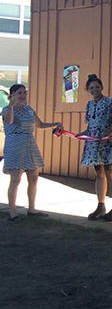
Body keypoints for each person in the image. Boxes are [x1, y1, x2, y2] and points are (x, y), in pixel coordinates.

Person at [2, 84, 61, 221]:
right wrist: (11, 105)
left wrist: (55, 124)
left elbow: (39, 124)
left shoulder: (29, 109)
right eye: (19, 93)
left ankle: (32, 208)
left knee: (33, 177)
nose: (22, 95)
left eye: (24, 93)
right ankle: (13, 212)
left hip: (30, 144)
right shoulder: (6, 109)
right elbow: (9, 121)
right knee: (16, 179)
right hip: (15, 145)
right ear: (12, 95)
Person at [80, 74, 112, 222]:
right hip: (95, 143)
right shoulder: (89, 104)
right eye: (91, 88)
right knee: (99, 173)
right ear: (88, 89)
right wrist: (84, 134)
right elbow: (91, 124)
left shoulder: (109, 102)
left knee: (111, 173)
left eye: (97, 87)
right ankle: (101, 205)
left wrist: (106, 135)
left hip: (109, 143)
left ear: (102, 87)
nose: (95, 90)